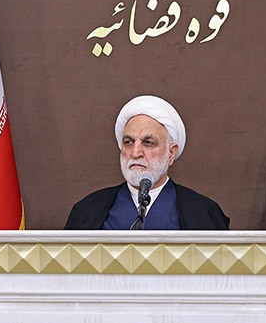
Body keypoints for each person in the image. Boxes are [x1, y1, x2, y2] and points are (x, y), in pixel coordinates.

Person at [64, 95, 229, 230]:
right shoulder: (87, 210)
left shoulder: (204, 212)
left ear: (171, 153)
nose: (136, 153)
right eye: (128, 142)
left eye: (148, 142)